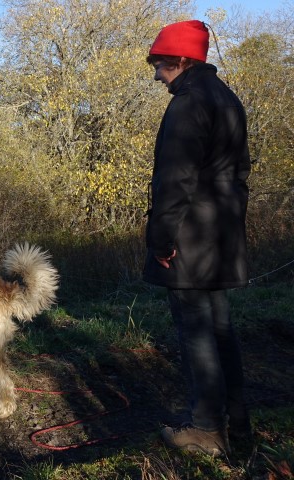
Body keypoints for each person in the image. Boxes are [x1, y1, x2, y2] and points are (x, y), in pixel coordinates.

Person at [143, 20, 252, 456]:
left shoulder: (188, 105)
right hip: (219, 240)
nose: (156, 74)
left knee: (197, 336)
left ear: (181, 60)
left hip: (188, 242)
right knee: (220, 331)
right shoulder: (227, 99)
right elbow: (240, 176)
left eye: (159, 64)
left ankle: (207, 429)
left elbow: (175, 181)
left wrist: (162, 241)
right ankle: (238, 427)